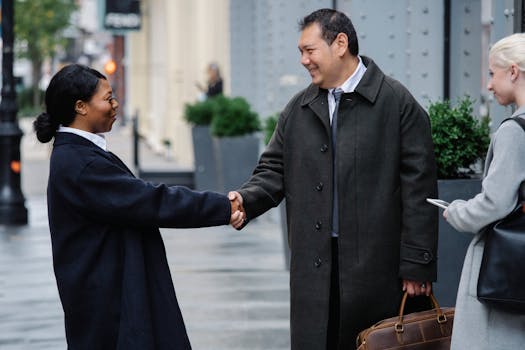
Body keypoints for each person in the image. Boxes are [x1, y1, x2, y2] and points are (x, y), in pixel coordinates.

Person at [229, 8, 438, 349]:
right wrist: (244, 201)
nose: (303, 60)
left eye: (309, 50)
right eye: (301, 52)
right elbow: (272, 170)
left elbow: (420, 189)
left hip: (379, 271)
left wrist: (418, 264)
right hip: (315, 268)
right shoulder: (298, 109)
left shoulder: (397, 103)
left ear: (340, 43)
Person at [33, 64, 244, 349]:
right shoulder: (82, 163)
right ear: (81, 107)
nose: (115, 104)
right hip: (110, 303)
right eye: (107, 99)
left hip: (109, 293)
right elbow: (150, 200)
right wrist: (223, 207)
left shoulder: (80, 154)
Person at [444, 33, 525, 350]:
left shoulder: (515, 132)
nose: (489, 85)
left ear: (514, 72)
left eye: (493, 73)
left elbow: (495, 202)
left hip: (507, 266)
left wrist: (457, 212)